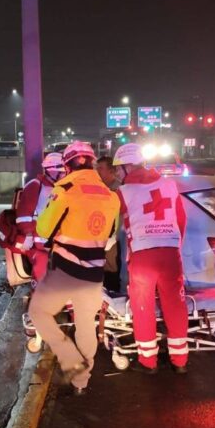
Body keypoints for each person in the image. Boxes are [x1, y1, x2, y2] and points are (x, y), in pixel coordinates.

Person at [28, 141, 120, 395]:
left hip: (65, 269)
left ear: (67, 164)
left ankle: (71, 362)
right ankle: (83, 381)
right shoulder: (111, 196)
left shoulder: (65, 188)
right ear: (91, 162)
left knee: (38, 313)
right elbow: (111, 235)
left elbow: (43, 229)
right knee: (85, 324)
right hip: (93, 273)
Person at [113, 143, 189, 374]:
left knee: (143, 306)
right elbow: (181, 220)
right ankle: (180, 361)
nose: (116, 174)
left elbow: (114, 226)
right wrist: (173, 245)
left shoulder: (123, 192)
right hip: (170, 254)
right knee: (176, 305)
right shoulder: (169, 185)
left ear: (128, 166)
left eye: (118, 169)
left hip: (142, 257)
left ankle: (148, 362)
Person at [15, 152, 66, 280]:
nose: (61, 175)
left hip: (59, 244)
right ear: (48, 171)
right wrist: (28, 234)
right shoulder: (36, 186)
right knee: (42, 275)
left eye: (63, 171)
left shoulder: (62, 188)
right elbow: (24, 214)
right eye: (58, 172)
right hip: (40, 246)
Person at [97, 155, 123, 292]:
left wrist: (114, 237)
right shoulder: (99, 188)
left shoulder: (119, 189)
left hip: (114, 237)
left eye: (101, 168)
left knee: (112, 266)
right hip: (101, 234)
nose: (97, 171)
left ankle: (113, 291)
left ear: (111, 171)